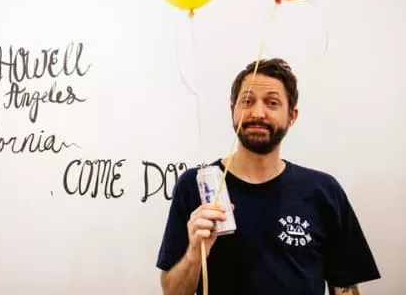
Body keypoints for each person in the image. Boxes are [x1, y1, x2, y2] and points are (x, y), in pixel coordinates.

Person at [156, 58, 380, 295]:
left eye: (272, 103)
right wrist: (194, 252)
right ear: (233, 111)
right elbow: (172, 292)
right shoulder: (196, 185)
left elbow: (345, 286)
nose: (257, 113)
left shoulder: (324, 190)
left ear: (292, 116)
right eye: (247, 101)